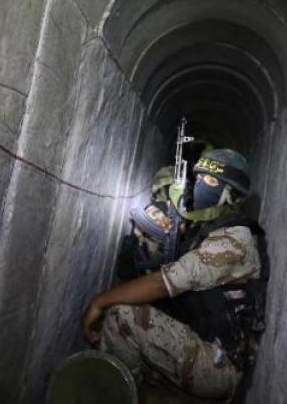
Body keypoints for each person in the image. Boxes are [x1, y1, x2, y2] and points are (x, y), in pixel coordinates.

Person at [83, 149, 262, 399]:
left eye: (210, 181)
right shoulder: (208, 229)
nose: (200, 186)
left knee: (122, 316)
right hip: (200, 337)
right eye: (199, 178)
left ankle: (123, 395)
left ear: (228, 195)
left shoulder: (234, 241)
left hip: (220, 365)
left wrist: (98, 302)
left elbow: (163, 282)